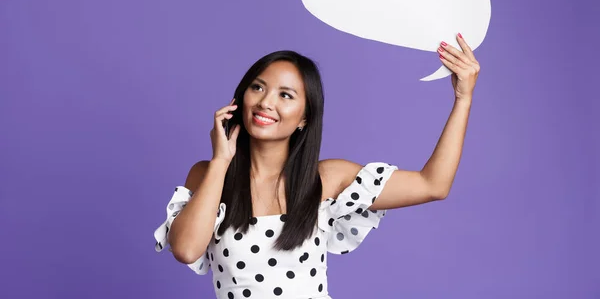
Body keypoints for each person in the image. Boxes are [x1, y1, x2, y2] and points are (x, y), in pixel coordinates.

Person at [154, 33, 480, 299]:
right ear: (240, 98)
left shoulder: (327, 180)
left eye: (286, 95)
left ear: (304, 118)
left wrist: (462, 99)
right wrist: (221, 160)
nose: (266, 102)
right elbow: (185, 249)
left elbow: (432, 185)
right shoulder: (209, 175)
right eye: (258, 87)